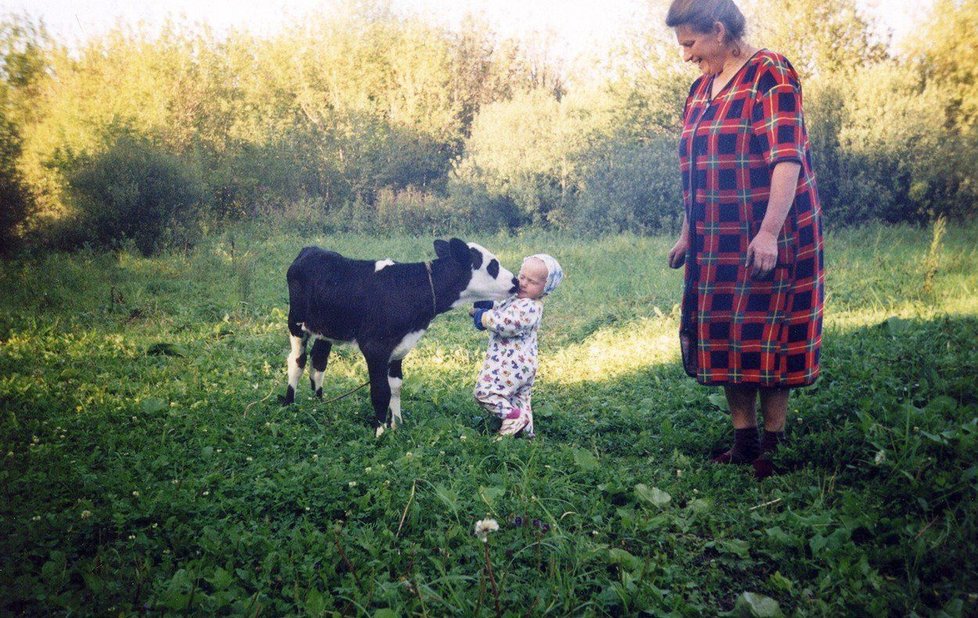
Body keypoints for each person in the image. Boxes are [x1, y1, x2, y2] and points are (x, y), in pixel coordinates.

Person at [665, 0, 825, 478]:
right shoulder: (699, 90)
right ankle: (743, 440)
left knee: (770, 334)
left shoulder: (769, 72)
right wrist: (687, 233)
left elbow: (786, 156)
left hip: (770, 232)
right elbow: (698, 168)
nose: (687, 56)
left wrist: (770, 233)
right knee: (726, 335)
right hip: (717, 237)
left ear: (718, 30)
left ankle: (772, 444)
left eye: (691, 43)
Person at [470, 254, 564, 438]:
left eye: (532, 282)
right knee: (519, 398)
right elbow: (503, 309)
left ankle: (514, 417)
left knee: (485, 392)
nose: (524, 283)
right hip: (521, 365)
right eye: (522, 277)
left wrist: (483, 317)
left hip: (511, 364)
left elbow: (506, 323)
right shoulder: (518, 299)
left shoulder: (531, 307)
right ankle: (525, 433)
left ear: (545, 289)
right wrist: (489, 305)